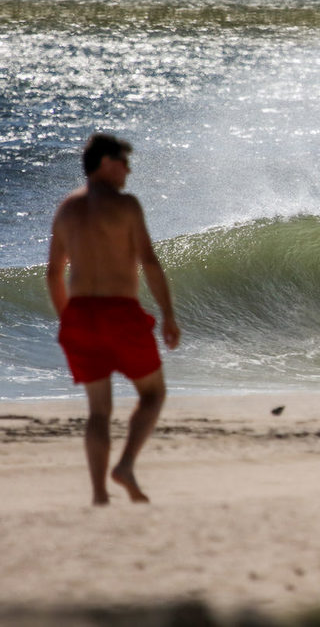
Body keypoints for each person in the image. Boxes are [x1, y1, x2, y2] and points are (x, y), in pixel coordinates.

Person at [46, 132, 181, 505]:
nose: (129, 169)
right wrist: (168, 314)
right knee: (153, 394)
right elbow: (149, 262)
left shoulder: (66, 209)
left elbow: (53, 273)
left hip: (81, 317)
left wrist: (66, 321)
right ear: (105, 163)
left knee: (98, 412)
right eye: (124, 161)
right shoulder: (126, 206)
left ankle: (99, 495)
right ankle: (125, 466)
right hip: (120, 313)